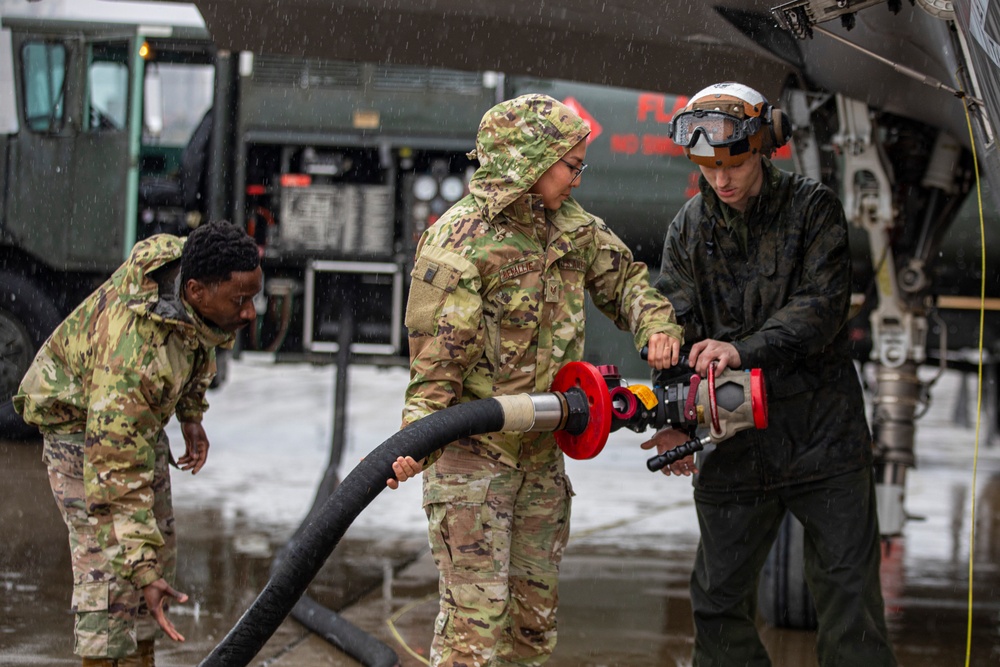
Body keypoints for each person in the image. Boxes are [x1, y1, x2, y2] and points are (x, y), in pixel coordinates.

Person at [13, 222, 419, 666]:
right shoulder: (133, 360)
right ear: (196, 291)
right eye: (239, 301)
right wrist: (140, 566)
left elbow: (196, 340)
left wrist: (190, 415)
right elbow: (116, 479)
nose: (249, 313)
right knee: (110, 568)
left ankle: (139, 654)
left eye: (254, 297)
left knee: (156, 555)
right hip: (82, 427)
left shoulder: (192, 282)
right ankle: (105, 655)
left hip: (132, 425)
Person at [402, 93, 683, 666]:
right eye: (571, 165)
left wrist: (655, 322)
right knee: (474, 637)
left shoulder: (569, 227)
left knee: (530, 633)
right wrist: (413, 445)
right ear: (528, 160)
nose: (578, 180)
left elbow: (625, 278)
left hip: (540, 461)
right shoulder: (458, 245)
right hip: (473, 465)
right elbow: (434, 371)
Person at [642, 82, 897, 666]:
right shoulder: (689, 227)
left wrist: (742, 350)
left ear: (764, 147)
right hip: (734, 437)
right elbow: (674, 322)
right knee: (715, 600)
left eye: (734, 163)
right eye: (707, 167)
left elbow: (822, 308)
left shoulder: (813, 209)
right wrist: (677, 413)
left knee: (849, 604)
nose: (722, 180)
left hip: (822, 438)